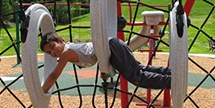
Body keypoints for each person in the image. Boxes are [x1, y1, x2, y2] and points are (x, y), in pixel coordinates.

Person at [40, 32, 171, 93]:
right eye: (49, 53)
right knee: (139, 70)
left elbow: (53, 76)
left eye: (52, 47)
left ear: (60, 39)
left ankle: (172, 81)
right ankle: (170, 73)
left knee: (136, 77)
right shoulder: (69, 48)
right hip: (112, 45)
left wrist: (42, 92)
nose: (53, 53)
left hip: (111, 47)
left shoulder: (65, 54)